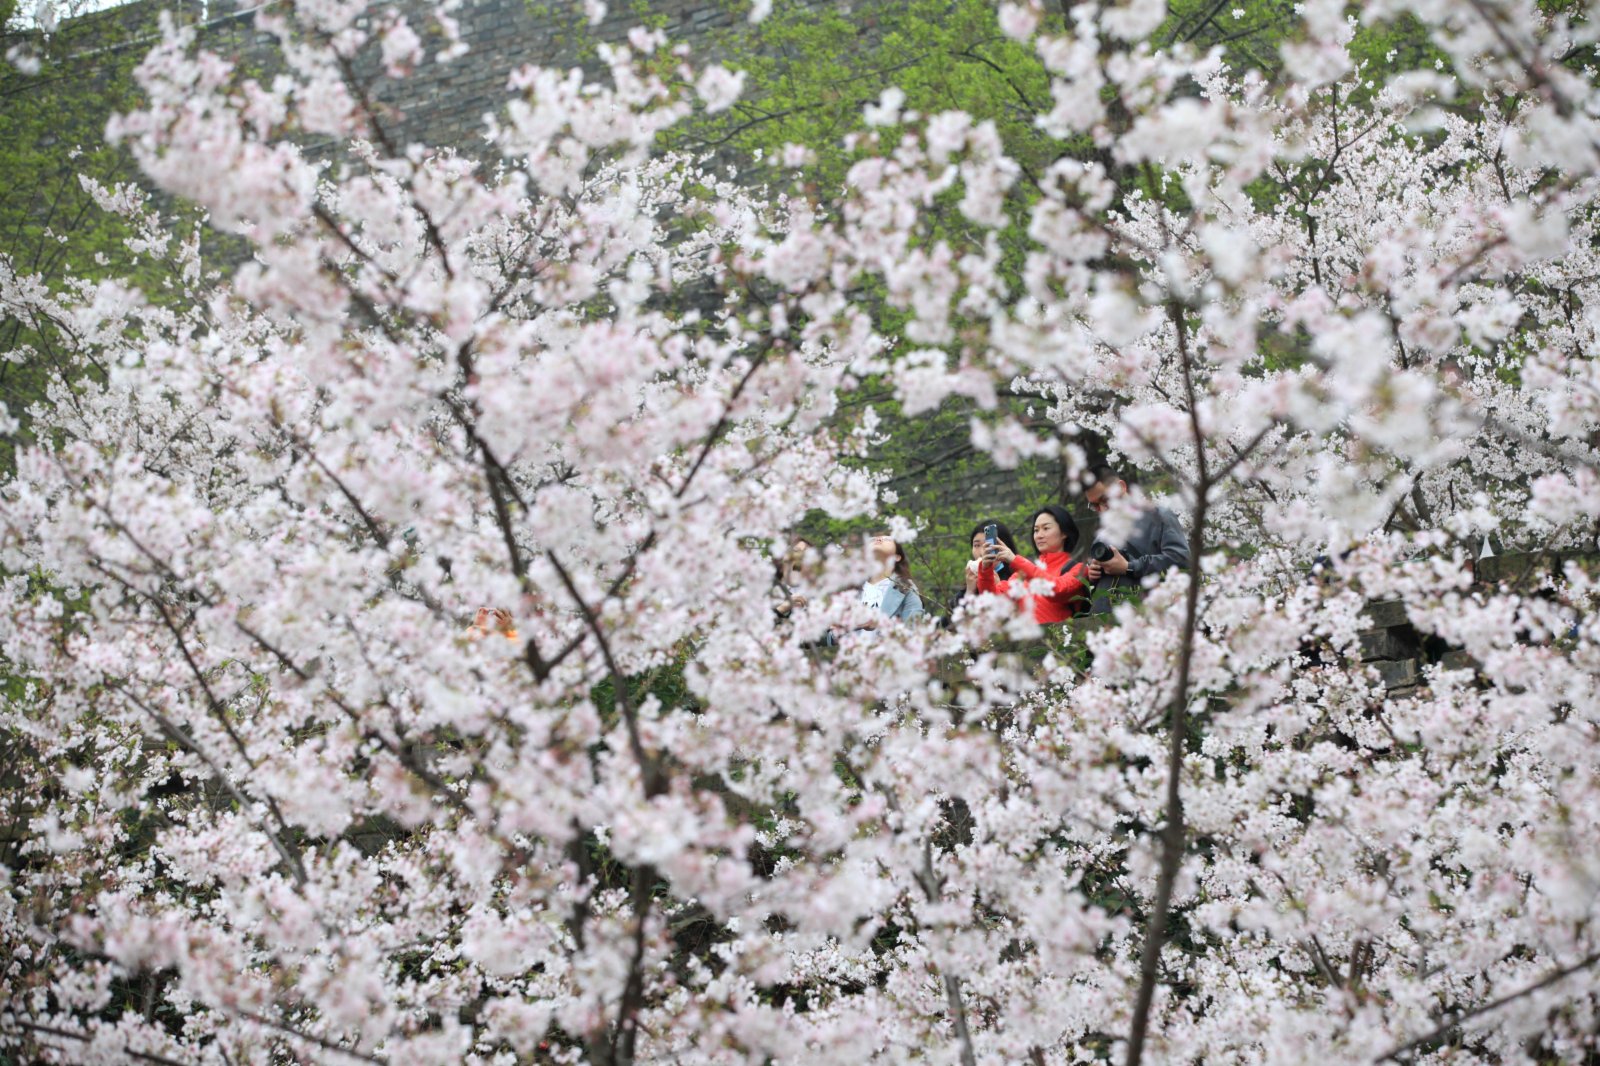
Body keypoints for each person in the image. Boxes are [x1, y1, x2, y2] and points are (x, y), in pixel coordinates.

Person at [1082, 465, 1190, 614]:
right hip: (1107, 620)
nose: (1102, 509)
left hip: (1152, 615)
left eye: (1105, 500)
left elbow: (1181, 559)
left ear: (1121, 487)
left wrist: (1129, 566)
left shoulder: (1159, 516)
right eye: (1094, 506)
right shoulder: (1103, 534)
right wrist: (1093, 573)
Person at [976, 505, 1091, 624]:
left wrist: (1015, 561)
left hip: (1058, 641)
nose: (1039, 535)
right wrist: (985, 570)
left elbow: (1057, 590)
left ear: (1064, 532)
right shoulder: (1023, 572)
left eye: (1046, 528)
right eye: (1036, 530)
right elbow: (994, 602)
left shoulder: (1079, 569)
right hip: (1027, 640)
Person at [951, 519, 1020, 615]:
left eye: (988, 545)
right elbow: (952, 622)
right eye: (976, 545)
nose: (982, 552)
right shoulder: (971, 581)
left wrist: (999, 589)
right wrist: (969, 591)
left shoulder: (1017, 578)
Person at [772, 537, 812, 622]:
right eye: (796, 551)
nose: (799, 557)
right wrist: (782, 608)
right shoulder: (766, 591)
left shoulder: (818, 600)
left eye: (806, 555)